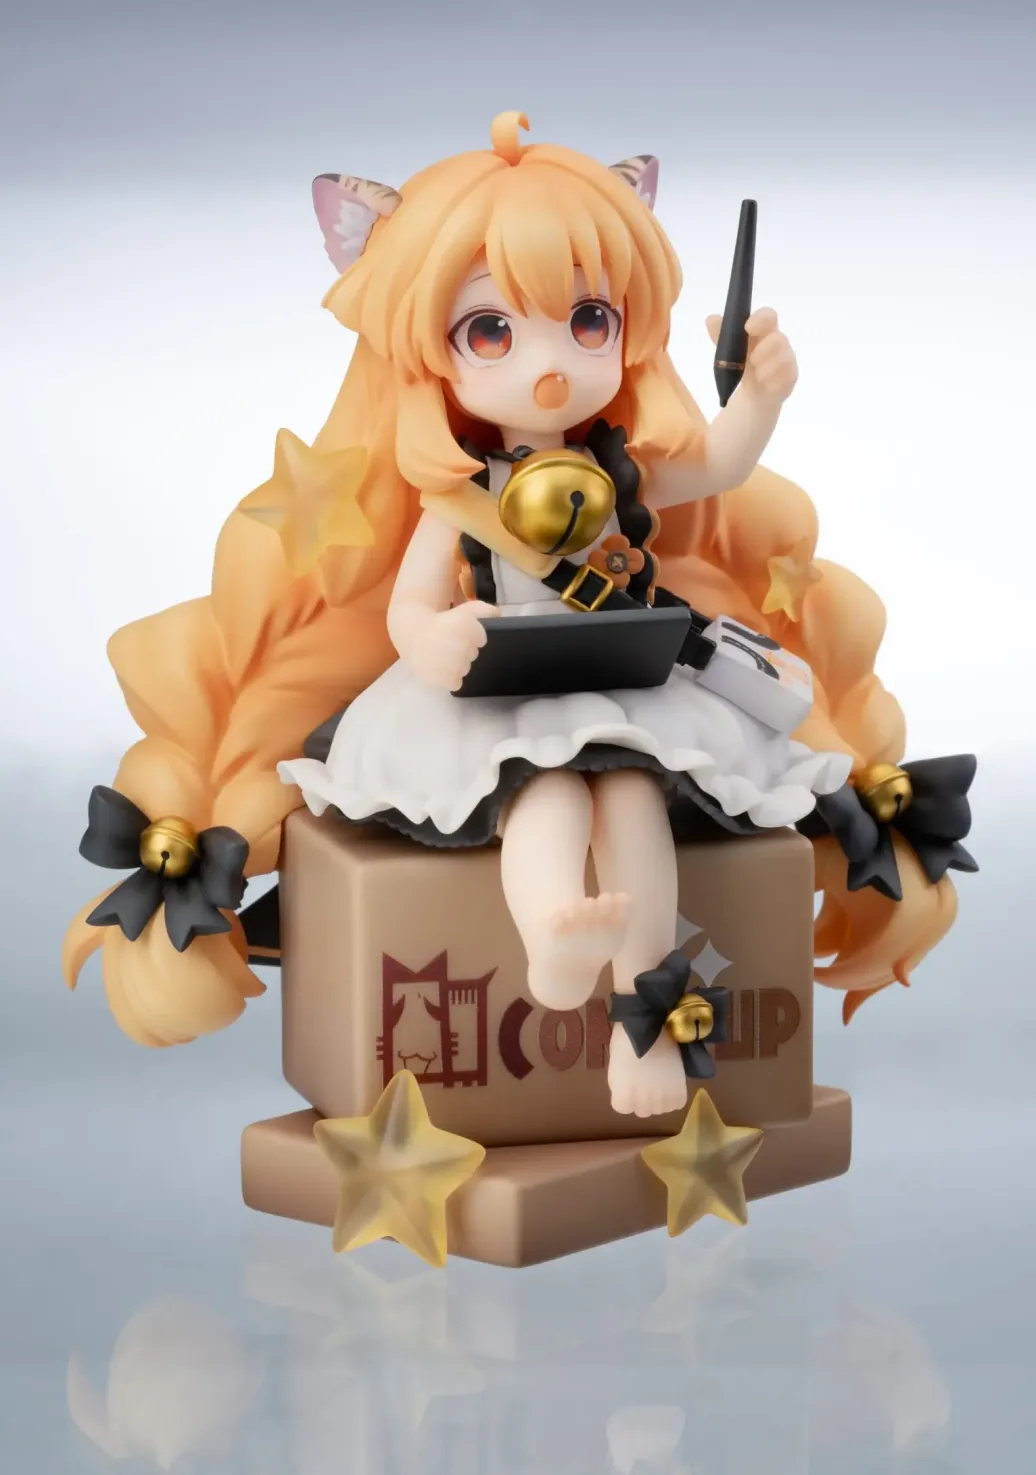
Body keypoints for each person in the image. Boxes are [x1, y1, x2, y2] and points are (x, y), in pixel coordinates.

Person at [63, 112, 965, 1112]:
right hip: (500, 693)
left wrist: (758, 397)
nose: (548, 365)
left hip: (622, 679)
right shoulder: (461, 496)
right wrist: (430, 638)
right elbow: (411, 603)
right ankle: (551, 943)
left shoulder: (619, 472)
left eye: (588, 321)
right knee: (545, 796)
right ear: (433, 356)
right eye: (490, 330)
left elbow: (717, 463)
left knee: (632, 801)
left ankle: (645, 1024)